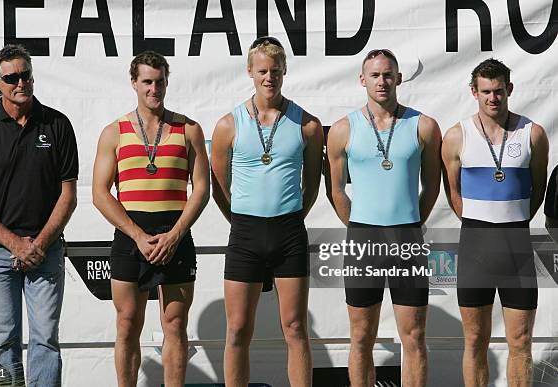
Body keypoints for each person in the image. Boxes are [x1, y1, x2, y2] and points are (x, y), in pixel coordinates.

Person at [0, 44, 78, 386]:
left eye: (25, 74)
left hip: (46, 250)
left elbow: (67, 197)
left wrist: (37, 244)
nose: (20, 82)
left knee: (45, 341)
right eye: (11, 77)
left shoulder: (57, 125)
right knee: (2, 341)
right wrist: (15, 244)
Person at [92, 51, 210, 387]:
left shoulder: (188, 129)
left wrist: (175, 234)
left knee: (174, 323)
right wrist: (137, 235)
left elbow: (201, 189)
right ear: (134, 83)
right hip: (132, 236)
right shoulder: (113, 132)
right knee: (127, 322)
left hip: (176, 232)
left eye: (159, 82)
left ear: (167, 82)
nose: (153, 89)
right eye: (147, 81)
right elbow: (100, 194)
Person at [211, 36, 323, 387]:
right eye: (262, 71)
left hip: (288, 232)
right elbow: (218, 185)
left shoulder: (307, 125)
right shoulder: (228, 125)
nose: (269, 77)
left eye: (275, 71)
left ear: (284, 71)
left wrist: (291, 217)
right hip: (244, 233)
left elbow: (313, 185)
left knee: (294, 327)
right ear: (250, 72)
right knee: (238, 329)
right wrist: (240, 220)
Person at [326, 49, 442, 387]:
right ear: (362, 80)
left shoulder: (423, 126)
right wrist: (361, 226)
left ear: (399, 79)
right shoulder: (344, 129)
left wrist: (408, 224)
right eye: (375, 75)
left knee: (415, 335)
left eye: (388, 74)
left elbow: (432, 186)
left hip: (407, 238)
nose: (382, 81)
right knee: (361, 335)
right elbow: (336, 191)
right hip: (364, 240)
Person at [442, 58, 548, 387]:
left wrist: (511, 222)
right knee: (475, 342)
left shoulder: (533, 133)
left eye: (499, 91)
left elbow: (537, 189)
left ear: (509, 90)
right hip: (475, 248)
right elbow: (453, 192)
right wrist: (481, 222)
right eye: (486, 91)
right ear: (474, 92)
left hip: (516, 249)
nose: (493, 98)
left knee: (520, 344)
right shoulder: (457, 136)